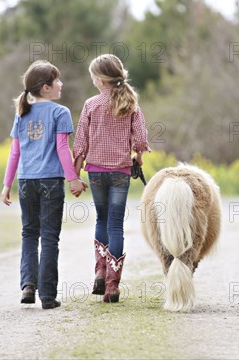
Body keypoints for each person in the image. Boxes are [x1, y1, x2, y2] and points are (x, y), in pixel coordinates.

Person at [1, 60, 87, 310]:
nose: (61, 84)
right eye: (57, 80)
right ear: (47, 88)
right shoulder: (60, 113)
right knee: (49, 238)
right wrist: (73, 179)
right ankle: (48, 296)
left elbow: (14, 153)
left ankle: (28, 285)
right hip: (50, 181)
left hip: (26, 182)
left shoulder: (22, 113)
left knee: (29, 234)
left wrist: (7, 184)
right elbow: (62, 149)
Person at [73, 54, 150, 303]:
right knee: (115, 224)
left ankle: (99, 271)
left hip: (95, 172)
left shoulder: (90, 104)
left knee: (101, 218)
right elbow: (140, 138)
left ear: (100, 79)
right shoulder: (130, 103)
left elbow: (81, 142)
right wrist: (138, 157)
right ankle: (112, 286)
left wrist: (75, 172)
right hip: (120, 172)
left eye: (93, 76)